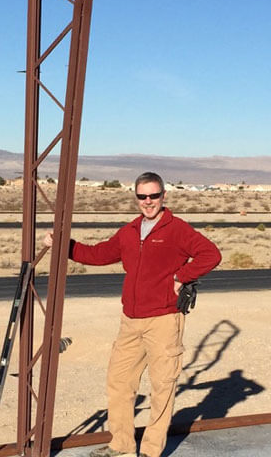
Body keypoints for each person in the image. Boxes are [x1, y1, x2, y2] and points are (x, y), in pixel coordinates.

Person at [43, 172, 221, 457]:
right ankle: (122, 445)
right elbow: (99, 254)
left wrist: (181, 276)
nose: (148, 201)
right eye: (142, 196)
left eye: (153, 195)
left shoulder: (177, 230)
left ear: (164, 196)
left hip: (163, 320)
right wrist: (66, 246)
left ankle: (150, 451)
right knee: (119, 382)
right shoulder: (129, 231)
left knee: (162, 387)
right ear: (136, 198)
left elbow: (210, 254)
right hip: (130, 321)